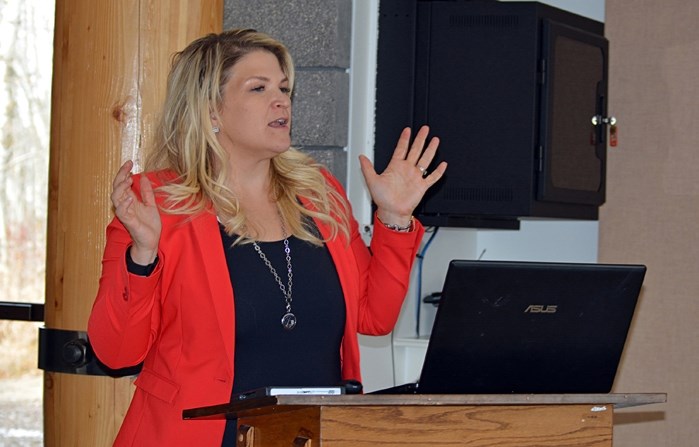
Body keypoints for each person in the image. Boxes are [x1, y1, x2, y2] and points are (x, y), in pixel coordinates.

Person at [87, 28, 447, 446]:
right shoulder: (156, 203)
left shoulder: (320, 194)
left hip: (312, 436)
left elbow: (373, 317)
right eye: (258, 88)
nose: (281, 100)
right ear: (210, 112)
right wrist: (143, 255)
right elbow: (116, 352)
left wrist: (394, 217)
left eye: (284, 87)